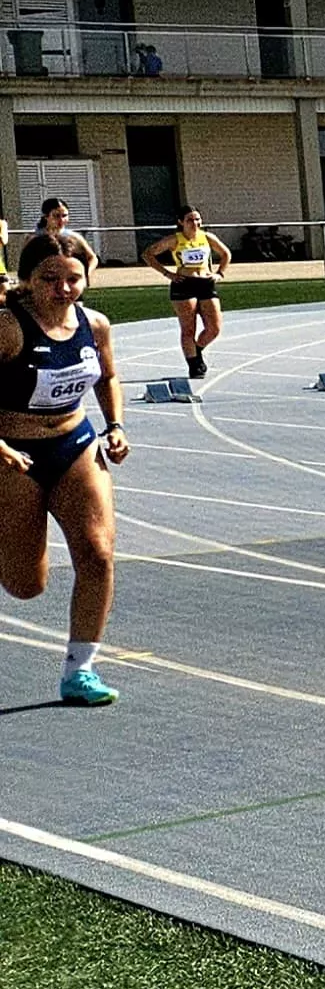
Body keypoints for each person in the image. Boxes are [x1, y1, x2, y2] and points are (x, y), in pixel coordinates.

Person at [0, 234, 133, 705]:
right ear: (27, 280)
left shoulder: (95, 325)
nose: (63, 288)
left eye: (73, 279)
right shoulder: (8, 328)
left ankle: (81, 671)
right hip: (14, 455)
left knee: (98, 553)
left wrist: (115, 425)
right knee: (25, 586)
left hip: (75, 445)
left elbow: (108, 377)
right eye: (50, 279)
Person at [141, 206, 230, 379]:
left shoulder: (207, 237)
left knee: (214, 328)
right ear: (181, 222)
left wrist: (220, 273)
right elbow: (148, 254)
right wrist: (167, 273)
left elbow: (226, 253)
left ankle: (196, 349)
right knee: (189, 328)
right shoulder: (175, 240)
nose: (195, 223)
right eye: (190, 220)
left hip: (206, 283)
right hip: (184, 284)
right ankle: (194, 364)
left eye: (197, 219)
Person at [36, 199, 98, 273]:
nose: (61, 220)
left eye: (64, 215)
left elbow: (93, 258)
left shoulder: (74, 237)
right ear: (46, 216)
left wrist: (85, 274)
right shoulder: (35, 238)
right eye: (56, 216)